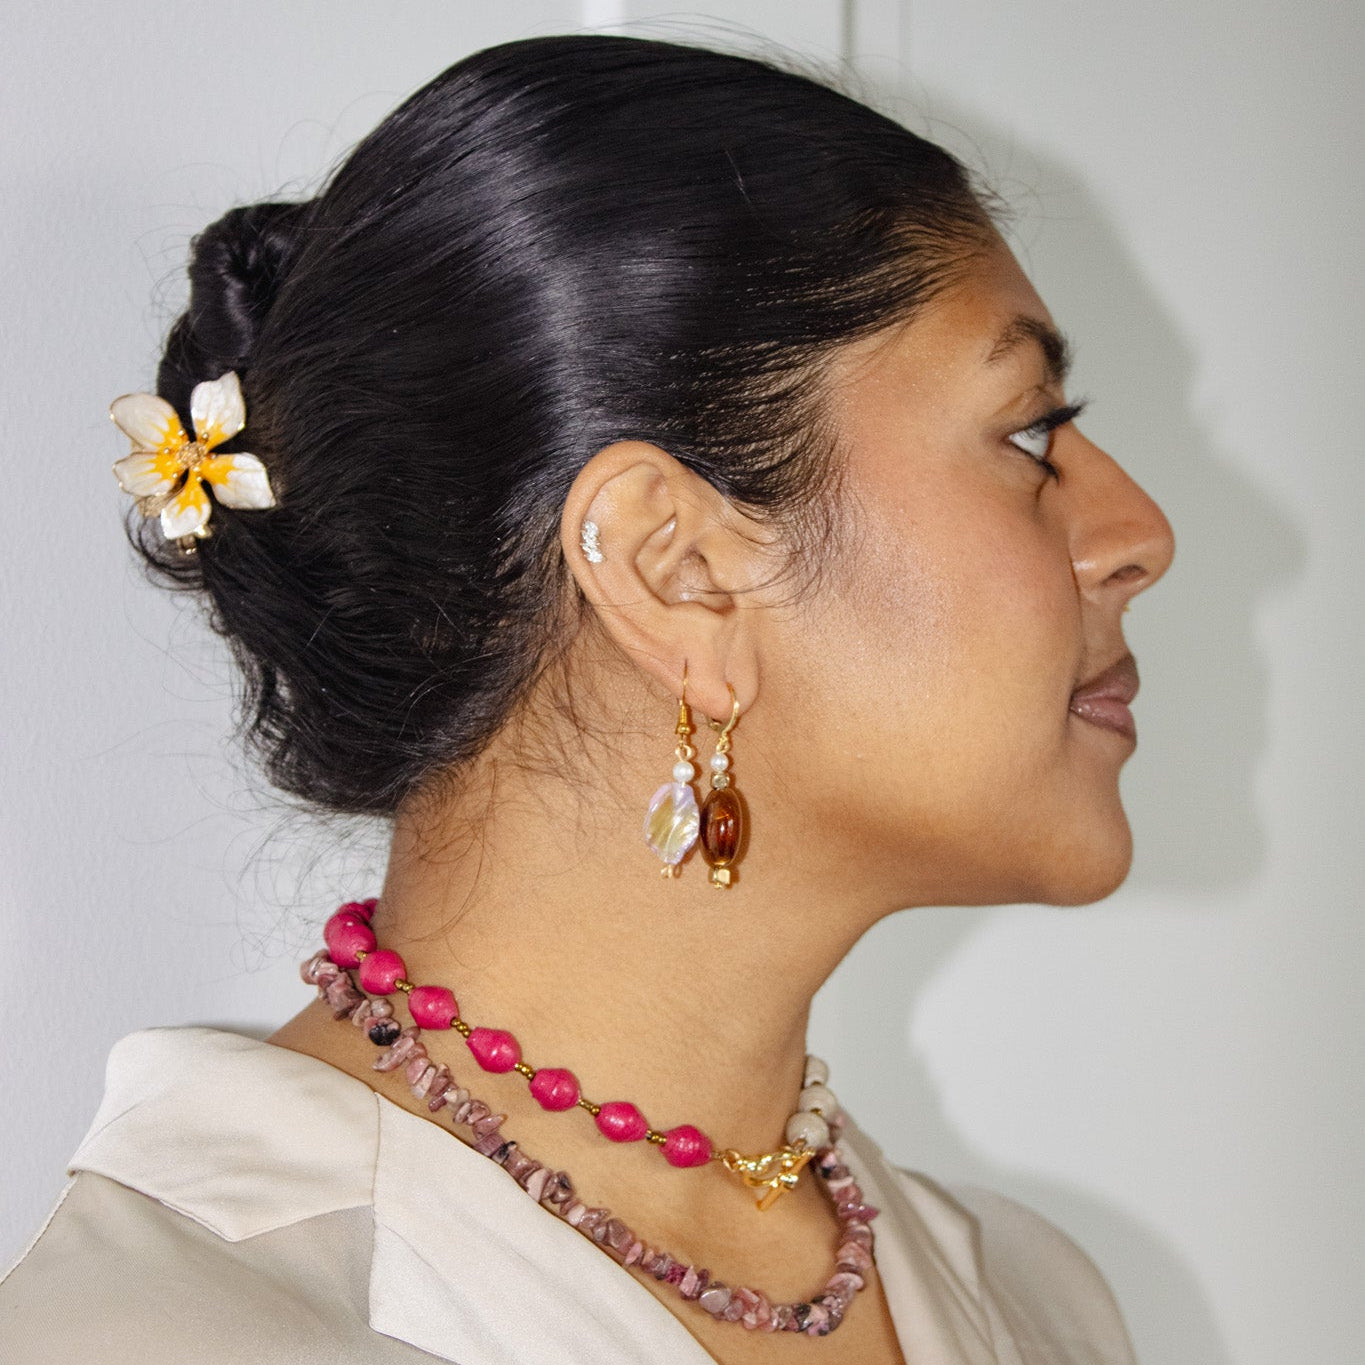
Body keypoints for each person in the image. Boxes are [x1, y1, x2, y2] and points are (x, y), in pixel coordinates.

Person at [0, 32, 1173, 1365]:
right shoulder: (166, 1336)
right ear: (674, 571)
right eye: (1029, 432)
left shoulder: (1036, 1305)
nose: (1137, 532)